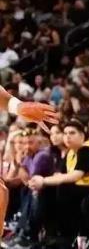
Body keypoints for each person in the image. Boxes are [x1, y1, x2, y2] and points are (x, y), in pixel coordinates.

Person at [28, 119, 89, 249]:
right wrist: (41, 183)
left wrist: (43, 180)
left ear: (82, 135)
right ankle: (50, 235)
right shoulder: (71, 153)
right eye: (65, 133)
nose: (67, 137)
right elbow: (59, 175)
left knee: (64, 188)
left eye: (72, 133)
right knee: (48, 190)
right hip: (82, 188)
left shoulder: (87, 150)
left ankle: (67, 236)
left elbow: (74, 176)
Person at [0, 85, 58, 242]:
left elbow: (26, 181)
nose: (24, 146)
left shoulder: (41, 155)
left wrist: (18, 106)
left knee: (2, 192)